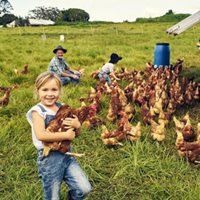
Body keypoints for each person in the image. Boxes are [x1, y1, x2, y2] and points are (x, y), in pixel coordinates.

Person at [26, 71, 92, 200]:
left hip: (67, 155)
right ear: (37, 91)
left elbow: (75, 135)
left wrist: (77, 125)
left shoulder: (63, 107)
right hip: (49, 158)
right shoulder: (38, 111)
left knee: (84, 188)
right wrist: (66, 135)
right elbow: (41, 135)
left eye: (54, 90)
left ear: (60, 91)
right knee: (53, 196)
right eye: (45, 90)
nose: (50, 94)